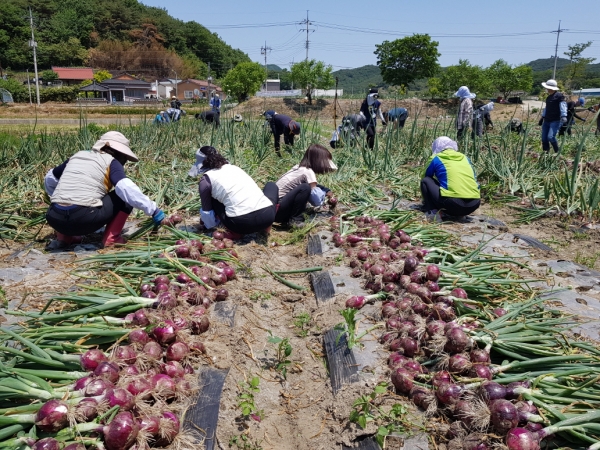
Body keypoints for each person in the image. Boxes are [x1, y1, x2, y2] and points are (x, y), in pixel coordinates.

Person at [44, 131, 165, 247]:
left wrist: (61, 200)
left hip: (55, 219)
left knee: (68, 198)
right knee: (124, 197)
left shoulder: (77, 156)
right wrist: (154, 211)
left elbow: (49, 179)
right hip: (84, 220)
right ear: (119, 153)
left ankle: (64, 237)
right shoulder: (112, 161)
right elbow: (126, 188)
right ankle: (112, 239)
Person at [189, 146, 277, 239]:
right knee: (271, 186)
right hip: (268, 217)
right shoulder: (235, 168)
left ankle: (234, 233)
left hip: (240, 223)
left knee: (212, 199)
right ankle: (266, 228)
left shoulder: (206, 180)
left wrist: (210, 226)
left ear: (202, 164)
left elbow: (207, 211)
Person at [275, 144, 337, 226]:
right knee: (305, 188)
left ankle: (288, 219)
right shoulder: (308, 172)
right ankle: (295, 220)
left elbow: (315, 186)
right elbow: (316, 200)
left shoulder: (299, 168)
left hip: (274, 208)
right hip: (279, 209)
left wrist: (326, 191)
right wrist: (325, 198)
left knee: (306, 187)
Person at [420, 136, 480, 220]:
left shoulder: (436, 158)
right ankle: (461, 215)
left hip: (452, 204)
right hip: (474, 204)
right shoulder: (465, 158)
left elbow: (425, 176)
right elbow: (474, 179)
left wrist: (425, 200)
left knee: (426, 181)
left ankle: (433, 213)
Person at [538, 79, 567, 154]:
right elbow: (547, 108)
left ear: (551, 88)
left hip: (555, 120)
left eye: (547, 87)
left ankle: (557, 152)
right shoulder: (548, 97)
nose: (546, 89)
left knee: (550, 137)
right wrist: (542, 117)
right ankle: (546, 154)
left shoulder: (559, 96)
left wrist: (564, 115)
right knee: (544, 139)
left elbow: (563, 105)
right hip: (547, 120)